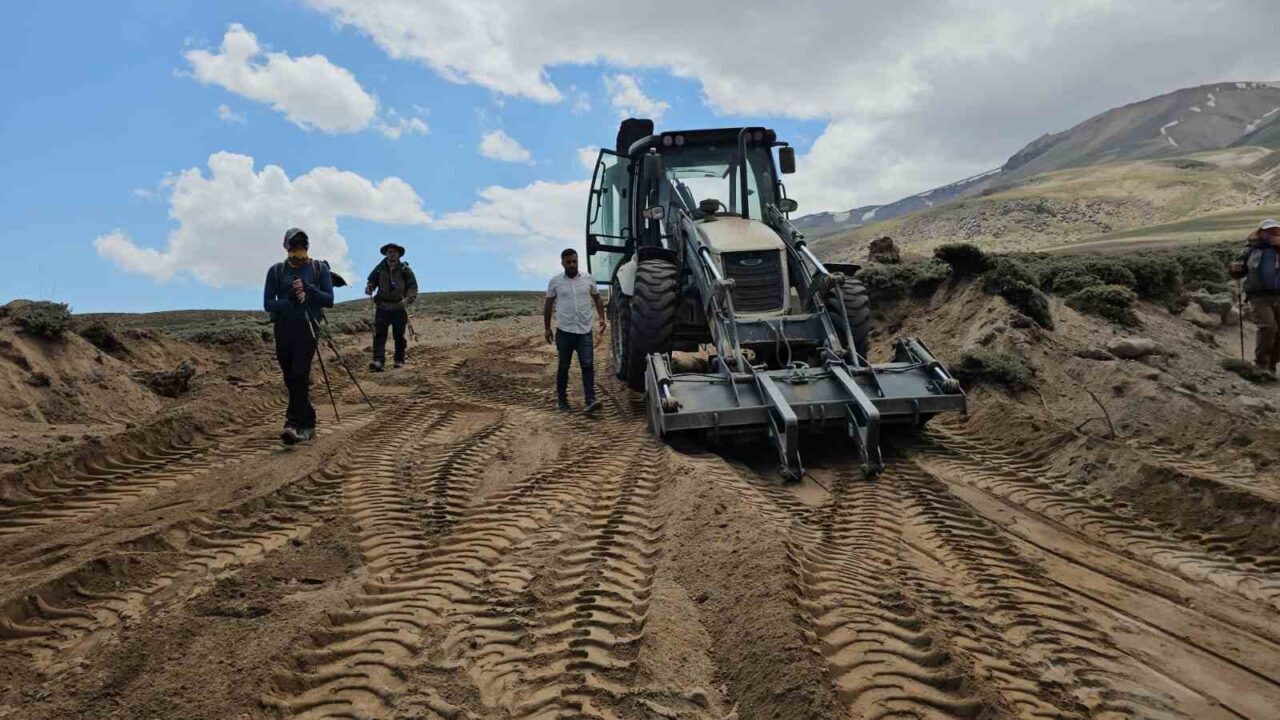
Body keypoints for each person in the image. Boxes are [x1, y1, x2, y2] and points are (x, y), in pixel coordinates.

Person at [263, 228, 334, 444]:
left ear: (307, 246)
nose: (298, 249)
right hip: (283, 328)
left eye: (302, 245)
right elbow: (268, 304)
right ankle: (308, 419)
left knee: (298, 374)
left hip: (308, 327)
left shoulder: (319, 268)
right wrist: (290, 301)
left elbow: (328, 299)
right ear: (286, 246)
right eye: (294, 245)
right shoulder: (276, 271)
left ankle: (294, 424)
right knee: (290, 377)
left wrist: (310, 290)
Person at [544, 248, 606, 412]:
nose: (572, 264)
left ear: (578, 261)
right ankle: (562, 401)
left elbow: (597, 298)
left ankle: (590, 400)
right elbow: (548, 305)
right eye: (568, 262)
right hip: (564, 331)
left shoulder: (588, 279)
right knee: (563, 367)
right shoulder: (555, 281)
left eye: (574, 261)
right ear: (562, 262)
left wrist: (602, 318)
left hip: (584, 331)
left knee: (587, 365)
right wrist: (547, 329)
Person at [364, 243, 418, 371]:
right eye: (389, 252)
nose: (392, 254)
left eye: (394, 252)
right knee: (379, 335)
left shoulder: (405, 269)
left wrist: (408, 299)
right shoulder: (379, 268)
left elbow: (412, 287)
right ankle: (378, 361)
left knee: (399, 335)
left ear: (398, 254)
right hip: (382, 306)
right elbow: (371, 281)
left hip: (399, 307)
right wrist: (369, 287)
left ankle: (399, 359)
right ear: (386, 253)